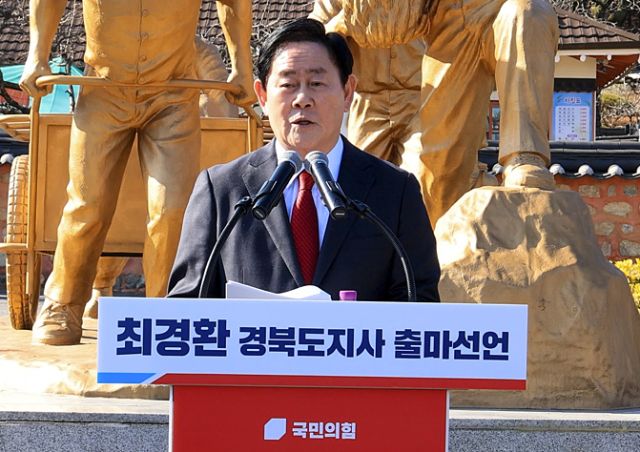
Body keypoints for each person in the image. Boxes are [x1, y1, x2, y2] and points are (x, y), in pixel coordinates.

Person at [19, 0, 255, 345]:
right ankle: (63, 302)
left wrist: (242, 66)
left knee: (173, 210)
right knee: (87, 204)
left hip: (173, 96)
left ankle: (167, 310)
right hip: (104, 91)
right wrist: (36, 55)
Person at [168, 18, 440, 302]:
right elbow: (187, 305)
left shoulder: (395, 190)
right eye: (288, 84)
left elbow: (420, 303)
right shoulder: (221, 190)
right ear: (262, 96)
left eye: (316, 83)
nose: (302, 99)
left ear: (348, 92)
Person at [312, 0, 559, 226]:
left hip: (419, 97)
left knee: (427, 186)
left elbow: (460, 21)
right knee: (356, 196)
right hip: (367, 102)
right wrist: (345, 23)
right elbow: (315, 37)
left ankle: (430, 250)